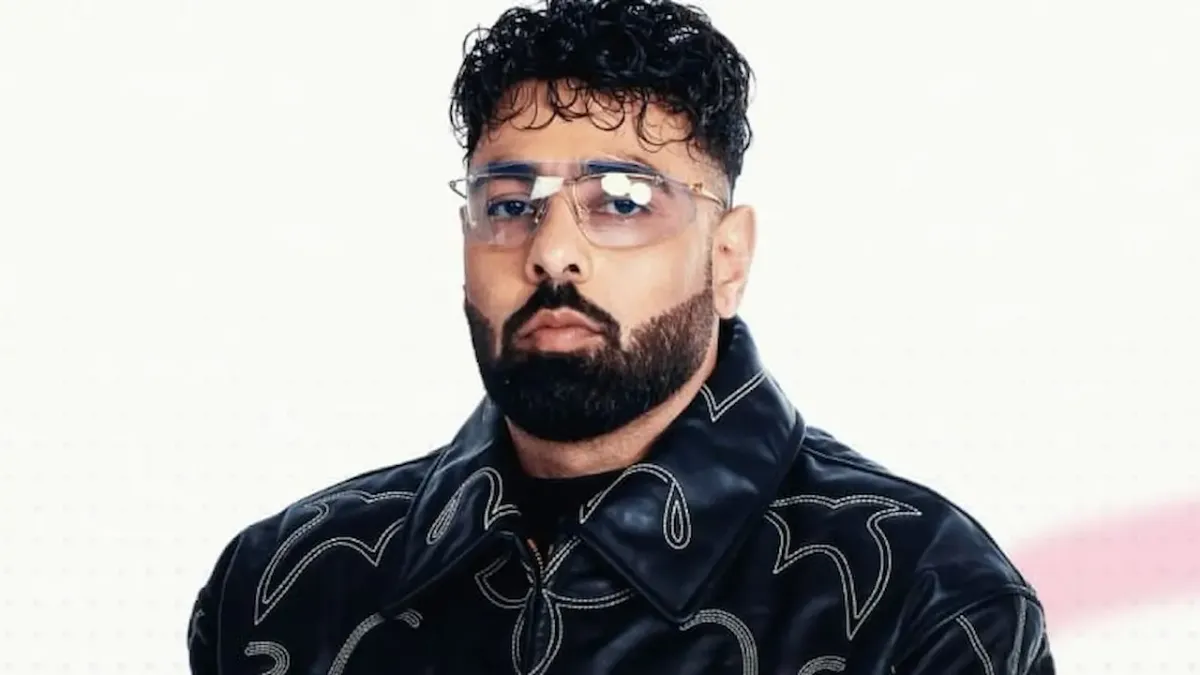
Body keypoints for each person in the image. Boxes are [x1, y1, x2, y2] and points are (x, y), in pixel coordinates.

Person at [186, 0, 1056, 672]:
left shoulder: (921, 595)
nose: (552, 251)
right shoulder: (289, 587)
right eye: (509, 204)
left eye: (624, 201)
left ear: (727, 256)